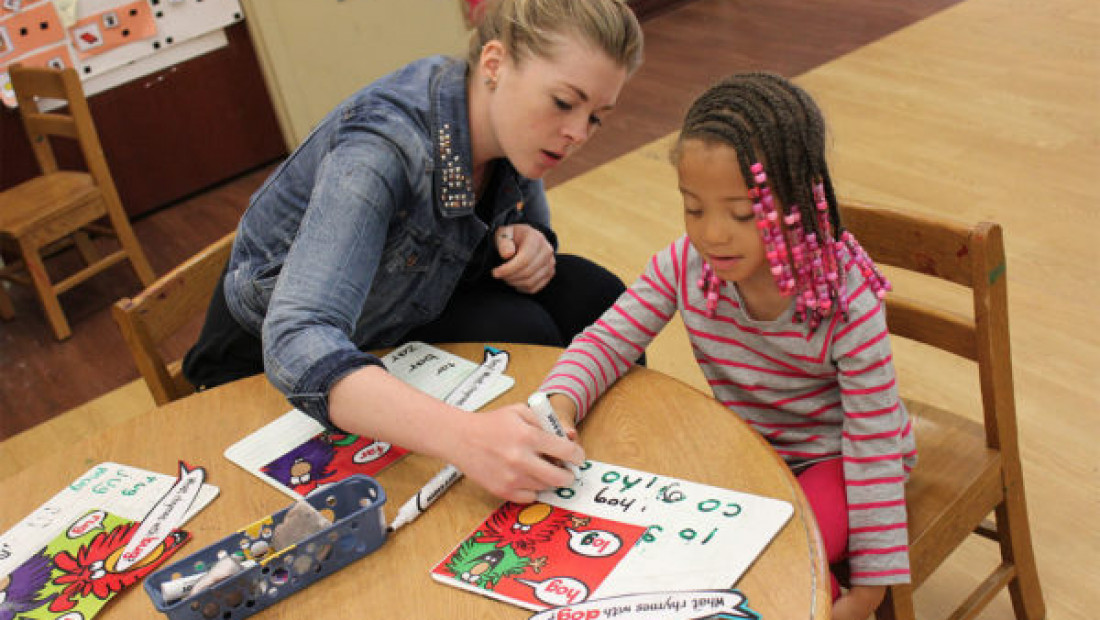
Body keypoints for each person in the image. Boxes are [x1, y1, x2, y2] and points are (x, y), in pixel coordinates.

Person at [182, 0, 644, 504]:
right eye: (562, 103)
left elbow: (521, 219)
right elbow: (297, 337)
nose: (578, 133)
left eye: (596, 117)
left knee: (594, 295)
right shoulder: (380, 148)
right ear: (495, 65)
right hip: (270, 355)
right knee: (525, 335)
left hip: (407, 298)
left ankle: (616, 468)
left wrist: (533, 242)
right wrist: (466, 439)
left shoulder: (500, 120)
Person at [536, 73, 916, 619]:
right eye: (694, 208)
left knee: (776, 560)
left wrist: (872, 594)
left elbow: (873, 447)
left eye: (741, 213)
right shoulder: (684, 265)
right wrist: (560, 404)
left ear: (800, 201)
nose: (713, 234)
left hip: (837, 458)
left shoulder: (846, 300)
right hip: (749, 450)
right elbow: (609, 339)